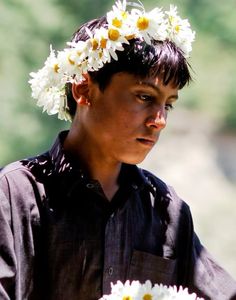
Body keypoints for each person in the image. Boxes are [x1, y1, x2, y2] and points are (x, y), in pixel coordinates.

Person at [0, 1, 235, 299]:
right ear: (83, 89)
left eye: (169, 105)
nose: (159, 120)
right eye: (144, 96)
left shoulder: (166, 211)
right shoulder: (14, 194)